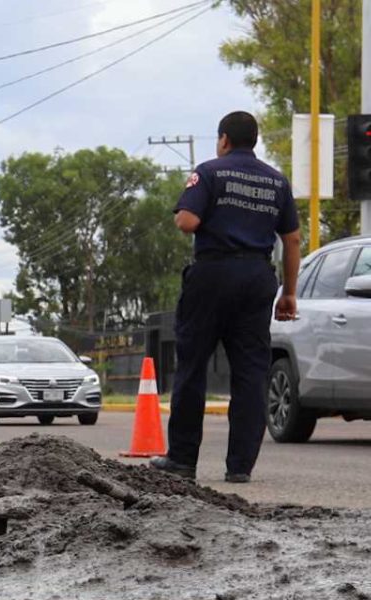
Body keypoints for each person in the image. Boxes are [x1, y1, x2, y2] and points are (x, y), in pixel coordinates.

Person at [150, 111, 302, 485]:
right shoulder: (277, 182)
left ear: (223, 139)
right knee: (251, 372)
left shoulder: (210, 171)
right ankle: (240, 466)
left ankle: (182, 460)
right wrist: (289, 293)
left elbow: (187, 221)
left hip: (213, 274)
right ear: (255, 141)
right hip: (257, 278)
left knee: (192, 366)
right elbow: (292, 239)